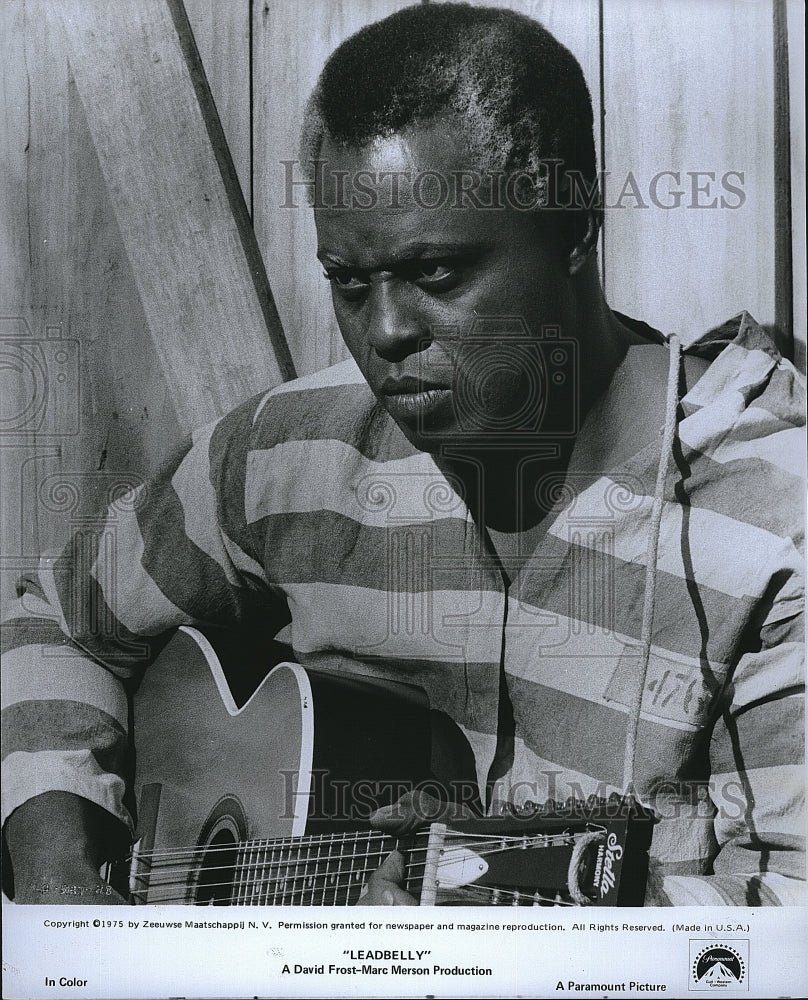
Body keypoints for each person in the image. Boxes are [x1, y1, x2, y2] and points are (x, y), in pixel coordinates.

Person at [2, 2, 805, 907]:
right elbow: (55, 618)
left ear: (575, 226)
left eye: (436, 275)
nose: (382, 332)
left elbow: (787, 927)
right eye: (349, 281)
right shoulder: (288, 450)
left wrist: (487, 936)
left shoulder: (779, 522)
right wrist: (54, 865)